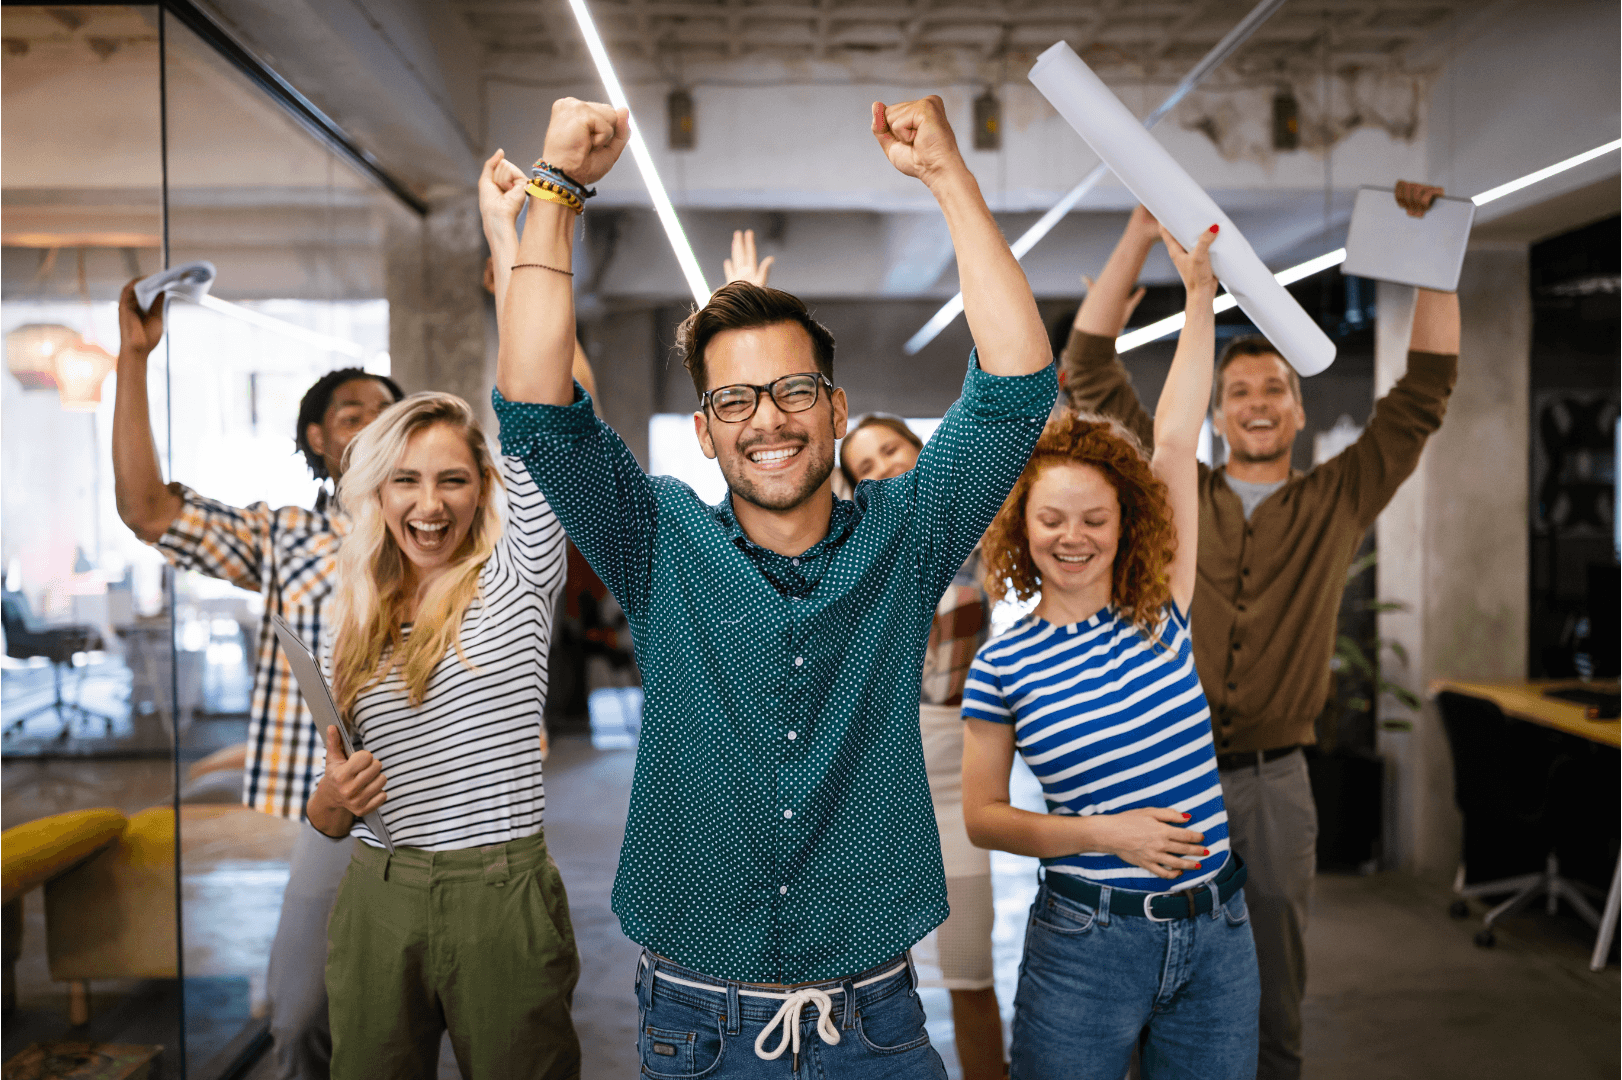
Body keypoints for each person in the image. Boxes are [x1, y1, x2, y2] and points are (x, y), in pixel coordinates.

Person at [479, 93, 1055, 1076]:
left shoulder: (908, 534)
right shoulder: (655, 536)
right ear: (704, 430)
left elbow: (1012, 394)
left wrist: (948, 178)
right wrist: (558, 190)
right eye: (733, 399)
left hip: (875, 1020)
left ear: (834, 409)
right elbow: (537, 408)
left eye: (793, 391)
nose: (768, 420)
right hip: (696, 1025)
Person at [1062, 184, 1461, 1080]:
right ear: (1213, 409)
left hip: (1274, 788)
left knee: (1272, 1012)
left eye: (1273, 388)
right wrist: (1136, 231)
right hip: (1157, 781)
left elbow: (1425, 392)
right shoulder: (1173, 492)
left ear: (1298, 408)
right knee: (1138, 1009)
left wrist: (1433, 250)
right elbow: (1088, 367)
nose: (1254, 401)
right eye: (1236, 388)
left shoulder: (1338, 498)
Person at [961, 223, 1260, 1080]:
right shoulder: (1003, 664)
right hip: (1087, 943)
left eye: (1096, 518)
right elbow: (984, 816)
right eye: (1052, 519)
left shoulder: (1161, 607)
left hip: (1218, 934)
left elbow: (1172, 439)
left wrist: (1200, 300)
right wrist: (1107, 834)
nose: (1074, 537)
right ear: (1022, 526)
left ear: (1127, 523)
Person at [111, 280, 402, 1080]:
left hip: (450, 810)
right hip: (339, 811)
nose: (374, 420)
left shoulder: (448, 526)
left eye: (388, 411)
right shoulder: (284, 537)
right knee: (301, 1016)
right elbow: (146, 510)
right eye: (352, 412)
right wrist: (133, 359)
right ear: (316, 439)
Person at [308, 390, 578, 1079]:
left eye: (451, 479)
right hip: (377, 891)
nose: (429, 505)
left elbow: (547, 408)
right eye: (407, 480)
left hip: (498, 894)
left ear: (484, 487)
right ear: (380, 490)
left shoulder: (519, 581)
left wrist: (522, 281)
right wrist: (338, 792)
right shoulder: (356, 616)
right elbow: (329, 818)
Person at [841, 414, 1005, 1080]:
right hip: (874, 796)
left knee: (969, 972)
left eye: (890, 451)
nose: (883, 469)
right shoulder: (850, 558)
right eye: (865, 468)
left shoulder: (979, 533)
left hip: (957, 790)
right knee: (865, 989)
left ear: (920, 449)